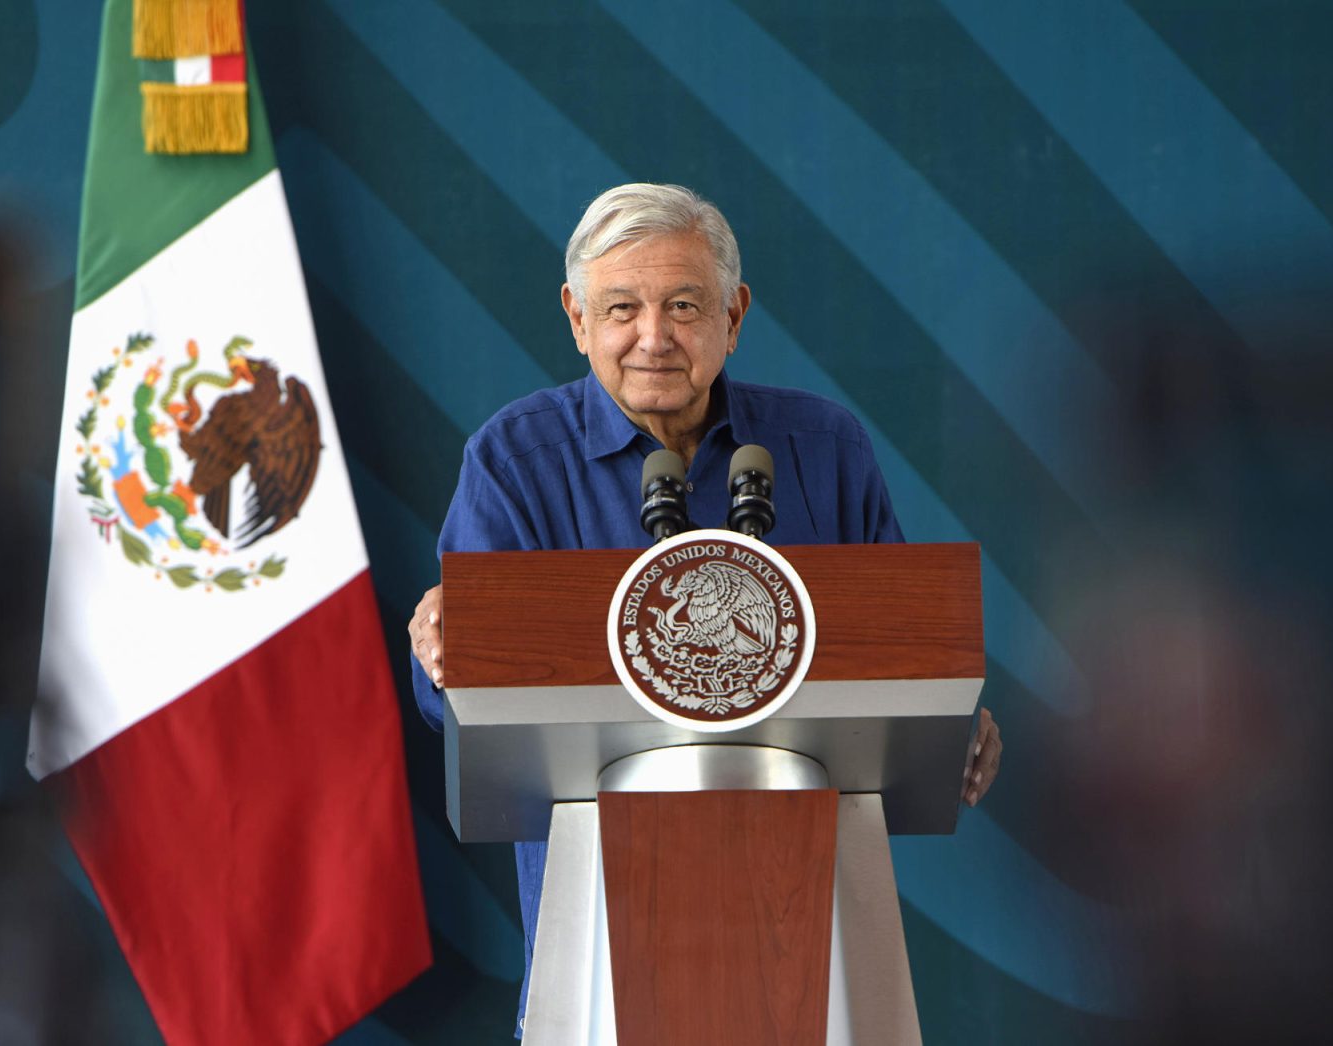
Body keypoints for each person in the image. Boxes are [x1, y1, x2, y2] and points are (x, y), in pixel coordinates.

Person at [407, 183, 1002, 1032]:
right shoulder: (514, 461)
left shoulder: (824, 450)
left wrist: (953, 726)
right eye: (621, 309)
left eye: (684, 306)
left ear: (734, 314)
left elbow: (899, 656)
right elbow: (457, 704)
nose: (653, 338)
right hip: (601, 950)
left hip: (811, 939)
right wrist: (445, 653)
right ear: (577, 319)